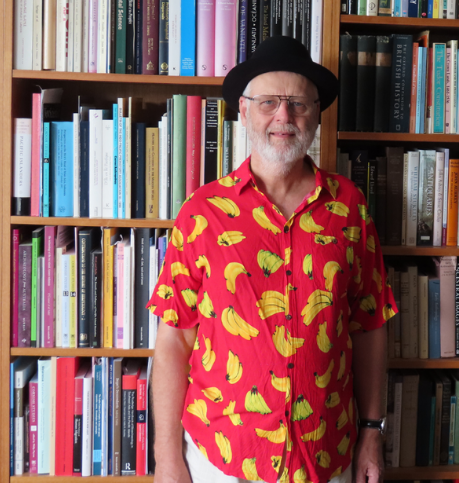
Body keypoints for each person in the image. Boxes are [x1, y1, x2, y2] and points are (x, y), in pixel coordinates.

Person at [148, 36, 398, 483]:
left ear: (315, 115)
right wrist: (166, 458)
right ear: (243, 111)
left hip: (328, 455)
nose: (284, 116)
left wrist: (372, 433)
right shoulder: (201, 213)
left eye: (298, 104)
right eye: (268, 102)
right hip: (220, 460)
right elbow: (173, 342)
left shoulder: (350, 207)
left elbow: (370, 325)